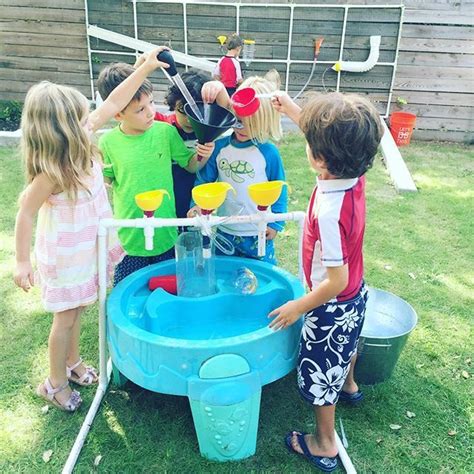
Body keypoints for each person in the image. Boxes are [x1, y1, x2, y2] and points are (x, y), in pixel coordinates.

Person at [13, 48, 168, 412]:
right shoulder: (50, 172)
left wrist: (144, 67)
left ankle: (72, 363)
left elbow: (115, 101)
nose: (90, 117)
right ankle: (54, 384)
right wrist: (22, 262)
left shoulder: (83, 138)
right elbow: (24, 214)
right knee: (65, 318)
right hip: (66, 257)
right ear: (61, 128)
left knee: (80, 309)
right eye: (81, 115)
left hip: (88, 249)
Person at [267, 92, 383, 471]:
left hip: (329, 305)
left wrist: (298, 307)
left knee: (320, 370)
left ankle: (324, 441)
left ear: (319, 158)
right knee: (347, 349)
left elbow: (334, 280)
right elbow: (330, 142)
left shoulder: (331, 212)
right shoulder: (354, 173)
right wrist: (290, 109)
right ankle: (349, 385)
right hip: (356, 296)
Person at [97, 62, 214, 284]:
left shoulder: (166, 132)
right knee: (130, 291)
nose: (151, 112)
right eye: (140, 109)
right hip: (129, 237)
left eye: (151, 102)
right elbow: (105, 183)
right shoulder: (107, 142)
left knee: (168, 288)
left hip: (166, 233)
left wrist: (203, 154)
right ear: (118, 114)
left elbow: (190, 165)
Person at [189, 75, 287, 265]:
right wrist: (197, 204)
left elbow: (279, 188)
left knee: (262, 280)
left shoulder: (268, 152)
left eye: (251, 125)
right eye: (239, 121)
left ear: (264, 123)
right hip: (225, 229)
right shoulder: (219, 147)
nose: (242, 129)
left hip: (258, 230)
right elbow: (204, 181)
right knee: (224, 278)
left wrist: (276, 223)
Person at [152, 69, 212, 221]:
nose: (189, 119)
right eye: (182, 110)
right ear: (173, 104)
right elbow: (130, 102)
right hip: (165, 204)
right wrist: (143, 64)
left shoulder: (209, 131)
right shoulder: (162, 125)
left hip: (196, 204)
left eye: (196, 112)